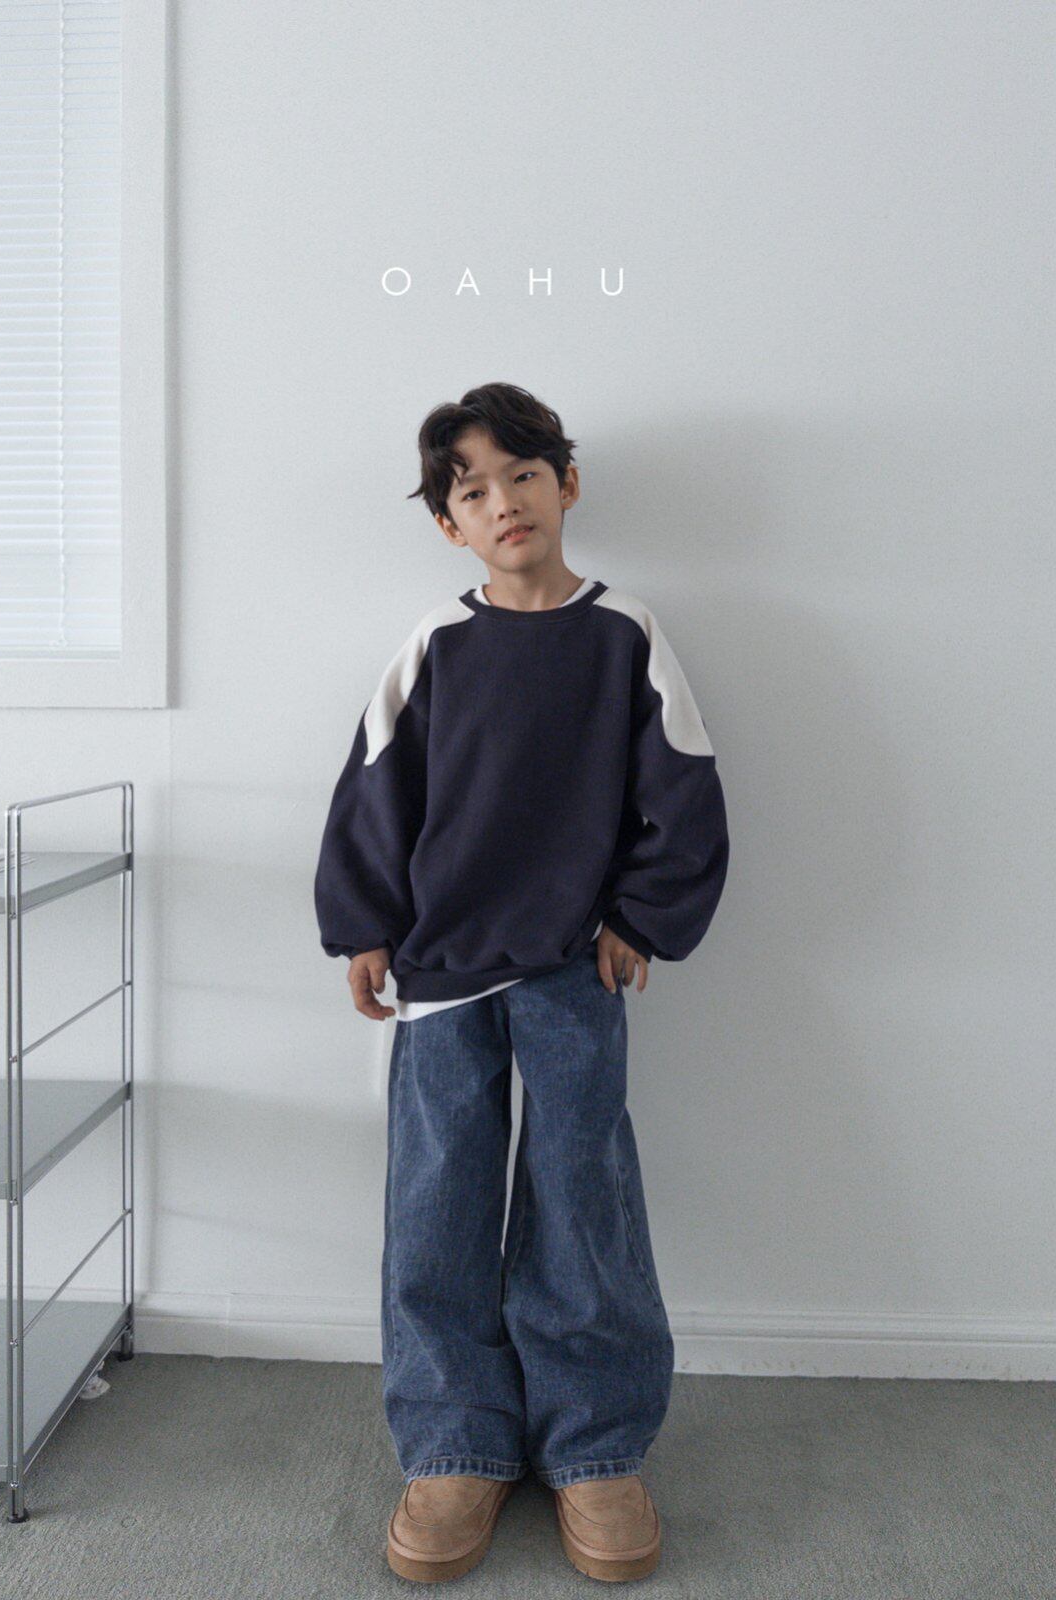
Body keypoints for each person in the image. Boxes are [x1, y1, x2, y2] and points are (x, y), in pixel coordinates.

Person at [313, 382, 729, 1583]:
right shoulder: (435, 646)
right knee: (437, 1199)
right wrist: (364, 926)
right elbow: (374, 790)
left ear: (566, 484)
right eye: (473, 490)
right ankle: (455, 1443)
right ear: (449, 524)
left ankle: (593, 1443)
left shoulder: (625, 635)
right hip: (441, 972)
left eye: (523, 475)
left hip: (569, 966)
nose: (503, 502)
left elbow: (683, 788)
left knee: (580, 1193)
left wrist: (639, 919)